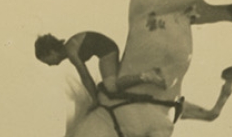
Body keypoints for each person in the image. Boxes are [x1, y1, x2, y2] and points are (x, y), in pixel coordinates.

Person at [35, 31, 164, 98]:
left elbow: (85, 77)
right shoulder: (70, 51)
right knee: (113, 86)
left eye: (47, 60)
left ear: (51, 52)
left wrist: (95, 100)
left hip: (106, 51)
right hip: (104, 51)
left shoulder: (71, 51)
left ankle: (147, 76)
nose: (49, 65)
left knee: (111, 86)